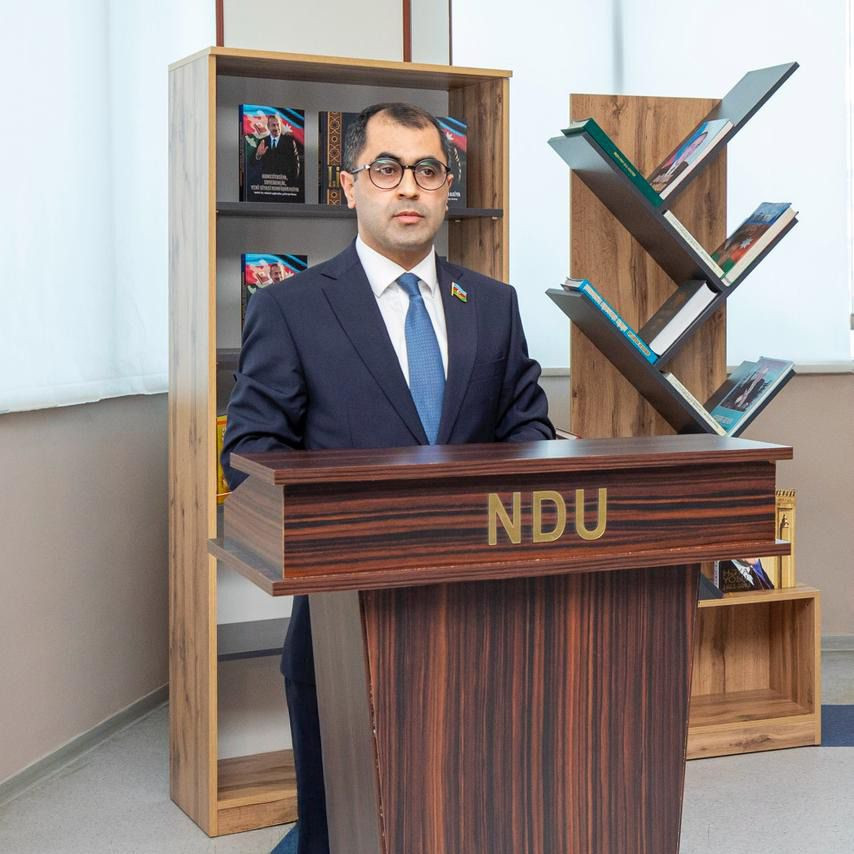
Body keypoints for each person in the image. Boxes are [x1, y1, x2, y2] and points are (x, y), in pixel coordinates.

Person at [221, 102, 554, 854]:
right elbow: (249, 455)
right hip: (347, 628)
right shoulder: (290, 308)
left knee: (475, 816)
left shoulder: (492, 305)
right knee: (345, 828)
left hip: (482, 620)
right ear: (348, 185)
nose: (409, 187)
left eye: (428, 170)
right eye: (387, 169)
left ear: (446, 188)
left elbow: (528, 435)